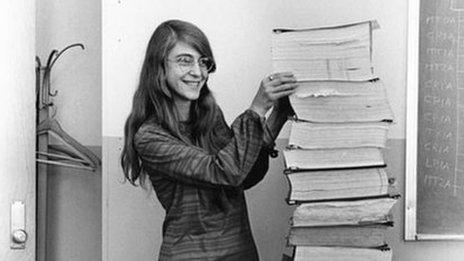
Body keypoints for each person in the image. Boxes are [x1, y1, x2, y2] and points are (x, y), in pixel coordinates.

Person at [121, 19, 298, 261]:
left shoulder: (210, 116)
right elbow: (226, 171)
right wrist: (257, 109)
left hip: (240, 252)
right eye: (184, 60)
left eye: (203, 62)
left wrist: (277, 116)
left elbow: (244, 177)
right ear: (159, 67)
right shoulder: (149, 136)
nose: (198, 72)